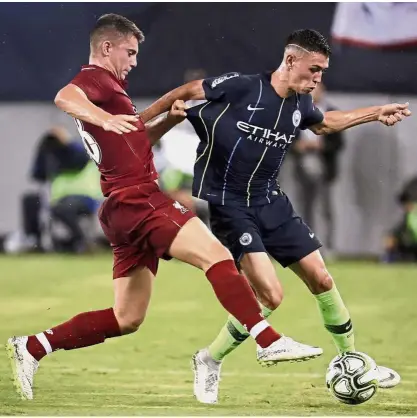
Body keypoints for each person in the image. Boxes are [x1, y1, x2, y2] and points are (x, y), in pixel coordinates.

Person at [6, 15, 322, 401]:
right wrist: (103, 116)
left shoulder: (111, 91)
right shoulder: (96, 79)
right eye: (130, 52)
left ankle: (34, 346)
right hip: (138, 199)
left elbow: (131, 142)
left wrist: (164, 123)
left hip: (119, 207)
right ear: (107, 48)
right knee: (217, 255)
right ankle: (268, 339)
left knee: (127, 318)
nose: (135, 61)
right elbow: (65, 97)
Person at [140, 28, 410, 404]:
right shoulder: (241, 87)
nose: (318, 78)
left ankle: (350, 358)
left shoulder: (301, 105)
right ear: (290, 61)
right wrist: (140, 121)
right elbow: (184, 93)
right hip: (229, 205)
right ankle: (209, 359)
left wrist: (375, 112)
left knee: (321, 278)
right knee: (270, 295)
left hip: (271, 201)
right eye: (314, 69)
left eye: (322, 72)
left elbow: (325, 123)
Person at [290, 83, 344, 256]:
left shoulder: (331, 112)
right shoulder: (296, 112)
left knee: (324, 208)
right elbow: (286, 138)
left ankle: (328, 247)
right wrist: (298, 146)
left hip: (324, 166)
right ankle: (308, 247)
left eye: (317, 90)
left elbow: (338, 143)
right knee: (303, 208)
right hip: (302, 165)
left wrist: (321, 146)